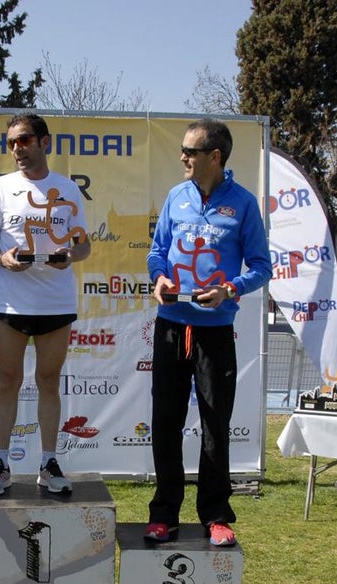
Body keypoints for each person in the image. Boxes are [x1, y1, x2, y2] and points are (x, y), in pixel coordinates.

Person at [145, 119, 271, 547]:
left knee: (215, 425)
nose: (183, 156)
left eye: (191, 151)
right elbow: (157, 251)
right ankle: (164, 512)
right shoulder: (175, 197)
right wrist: (159, 278)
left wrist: (229, 289)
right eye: (183, 150)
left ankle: (215, 514)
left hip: (215, 332)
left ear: (214, 157)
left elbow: (261, 266)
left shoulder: (244, 204)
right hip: (171, 326)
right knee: (166, 422)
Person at [0, 112, 91, 496]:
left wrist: (69, 256)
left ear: (45, 142)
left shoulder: (68, 189)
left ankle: (48, 461)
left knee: (48, 382)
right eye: (11, 143)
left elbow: (84, 244)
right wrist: (3, 259)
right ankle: (0, 461)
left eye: (24, 140)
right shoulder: (1, 187)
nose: (17, 149)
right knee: (8, 381)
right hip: (11, 302)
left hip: (54, 302)